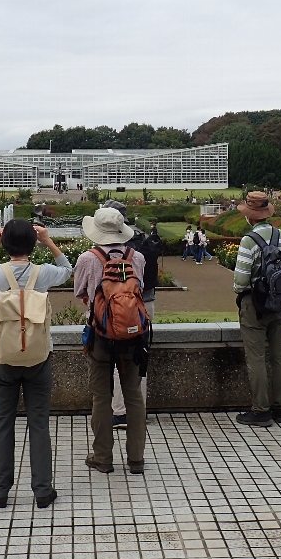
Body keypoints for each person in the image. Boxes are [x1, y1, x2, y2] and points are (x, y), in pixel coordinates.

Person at [0, 219, 71, 509]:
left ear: (7, 243)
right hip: (39, 355)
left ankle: (0, 491)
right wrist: (49, 241)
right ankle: (42, 490)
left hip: (3, 354)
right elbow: (69, 270)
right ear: (31, 243)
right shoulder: (44, 274)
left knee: (3, 422)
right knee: (38, 423)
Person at [75, 207, 148, 475]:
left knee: (101, 397)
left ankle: (103, 457)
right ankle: (136, 458)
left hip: (100, 335)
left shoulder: (88, 258)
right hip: (132, 335)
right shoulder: (136, 257)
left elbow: (81, 293)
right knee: (134, 398)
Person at [233, 192, 281, 427]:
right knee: (279, 355)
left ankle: (261, 410)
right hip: (278, 302)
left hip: (254, 304)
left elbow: (240, 280)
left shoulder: (249, 240)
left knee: (256, 357)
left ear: (250, 216)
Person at [102, 201, 159, 430]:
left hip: (114, 306)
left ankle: (120, 411)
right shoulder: (141, 240)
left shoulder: (107, 245)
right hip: (145, 303)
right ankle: (138, 410)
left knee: (115, 359)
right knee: (139, 356)